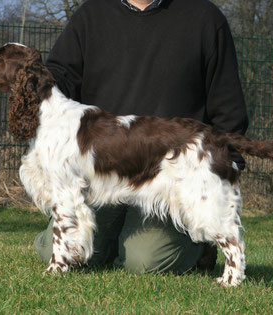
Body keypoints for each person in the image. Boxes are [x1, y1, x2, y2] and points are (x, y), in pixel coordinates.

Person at [34, 0, 248, 274]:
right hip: (101, 172)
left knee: (146, 261)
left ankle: (201, 243)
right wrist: (27, 76)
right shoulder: (92, 14)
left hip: (167, 172)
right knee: (51, 250)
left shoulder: (205, 18)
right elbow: (61, 78)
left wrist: (226, 172)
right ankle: (111, 243)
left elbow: (228, 105)